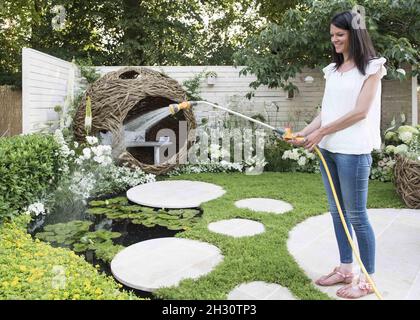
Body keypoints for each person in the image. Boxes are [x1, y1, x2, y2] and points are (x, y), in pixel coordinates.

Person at [289, 10, 387, 299]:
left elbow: (360, 112)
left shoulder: (371, 69)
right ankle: (346, 269)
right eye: (332, 35)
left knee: (356, 216)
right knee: (337, 213)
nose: (334, 40)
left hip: (353, 152)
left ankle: (367, 280)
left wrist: (320, 133)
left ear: (354, 35)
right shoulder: (333, 71)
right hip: (330, 150)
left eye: (340, 35)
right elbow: (326, 113)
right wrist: (305, 133)